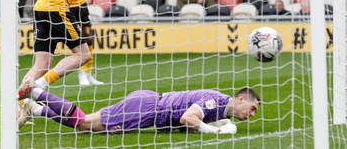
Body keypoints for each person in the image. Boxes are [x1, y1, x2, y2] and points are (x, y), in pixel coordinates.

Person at [19, 83, 260, 134]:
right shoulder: (216, 100)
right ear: (240, 98)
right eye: (252, 108)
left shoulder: (219, 109)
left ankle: (35, 109)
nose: (251, 114)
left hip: (148, 106)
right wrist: (215, 131)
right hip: (146, 108)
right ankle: (36, 92)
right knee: (84, 123)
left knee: (86, 129)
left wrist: (219, 123)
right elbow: (188, 118)